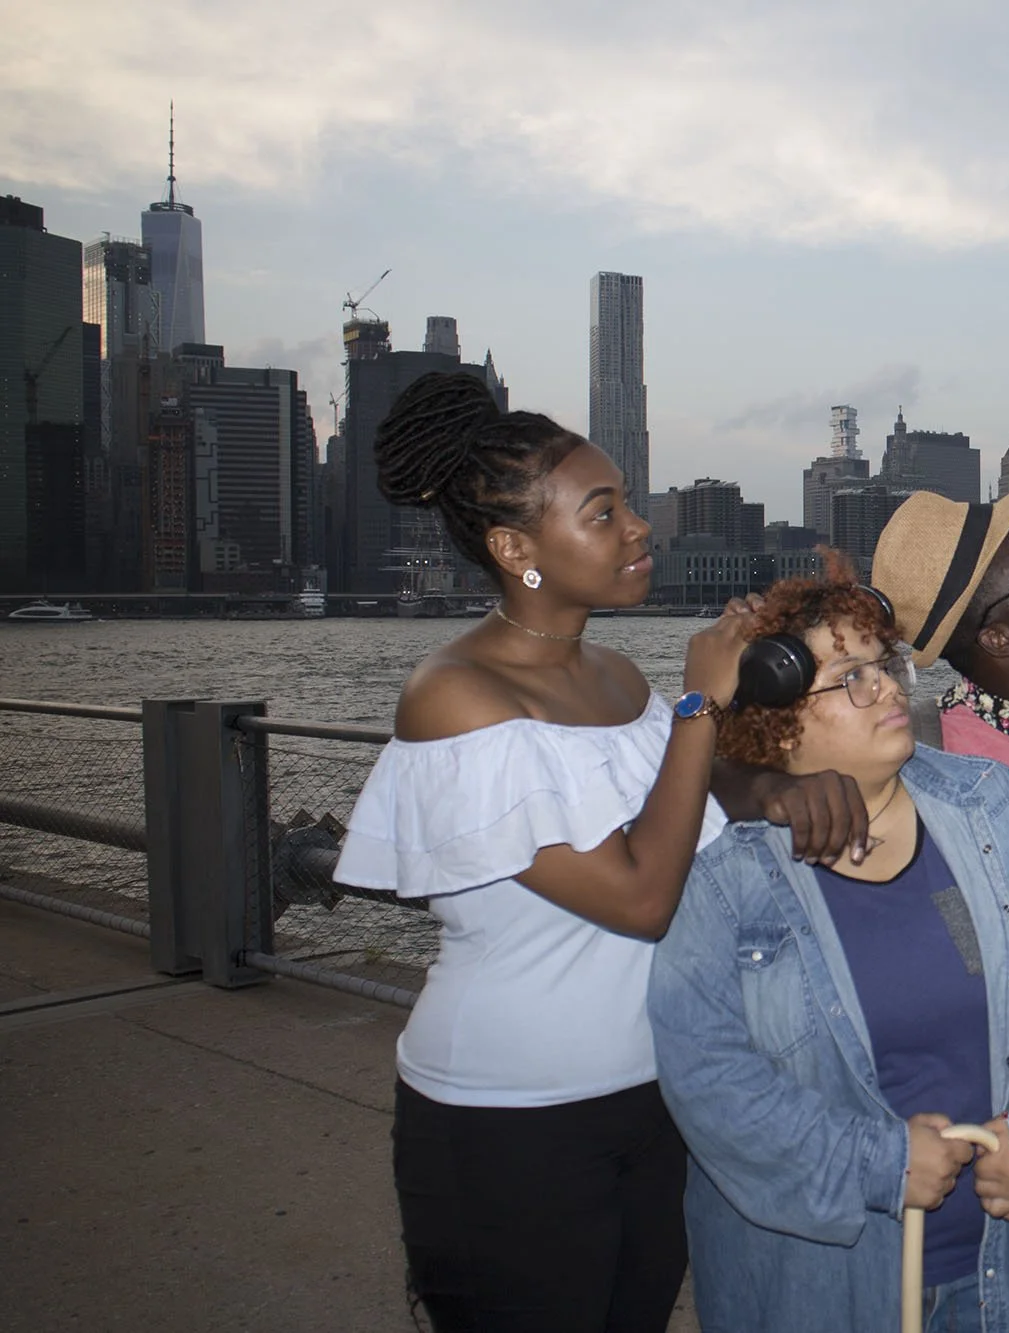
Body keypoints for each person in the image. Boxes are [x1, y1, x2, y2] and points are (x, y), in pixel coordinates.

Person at [332, 372, 750, 1331]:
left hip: (655, 1092)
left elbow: (682, 820)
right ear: (515, 548)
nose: (639, 529)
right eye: (604, 514)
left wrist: (789, 783)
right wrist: (701, 705)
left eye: (630, 506)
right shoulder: (455, 694)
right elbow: (642, 896)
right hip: (510, 1117)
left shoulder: (613, 671)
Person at [649, 563, 1009, 1332]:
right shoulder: (728, 885)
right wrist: (879, 1162)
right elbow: (709, 1080)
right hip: (821, 1291)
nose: (888, 689)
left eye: (887, 665)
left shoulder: (993, 805)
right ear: (781, 720)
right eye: (851, 678)